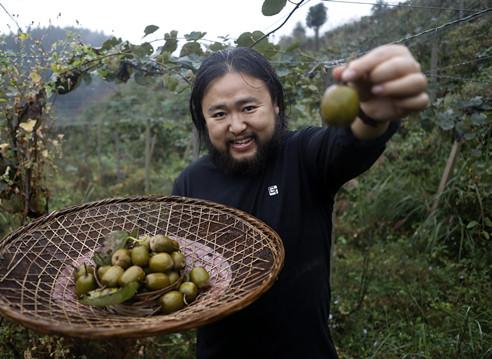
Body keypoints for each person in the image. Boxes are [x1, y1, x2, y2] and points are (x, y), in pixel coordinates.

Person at [172, 45, 428, 358]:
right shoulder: (190, 183)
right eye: (219, 114)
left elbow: (346, 144)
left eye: (249, 108)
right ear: (203, 118)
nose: (236, 126)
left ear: (276, 104)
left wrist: (370, 115)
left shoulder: (302, 156)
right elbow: (180, 271)